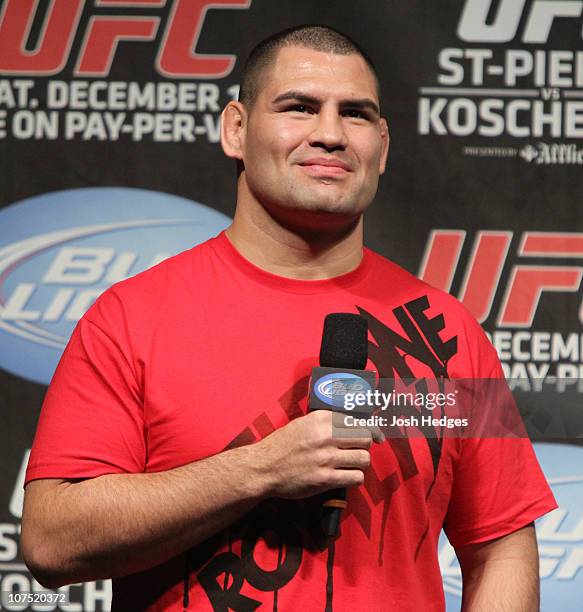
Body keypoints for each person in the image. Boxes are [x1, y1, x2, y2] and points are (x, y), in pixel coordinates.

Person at [22, 25, 556, 611]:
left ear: (382, 144)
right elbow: (51, 542)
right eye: (299, 107)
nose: (329, 134)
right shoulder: (131, 317)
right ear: (237, 129)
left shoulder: (447, 332)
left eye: (354, 114)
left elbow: (500, 544)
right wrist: (258, 470)